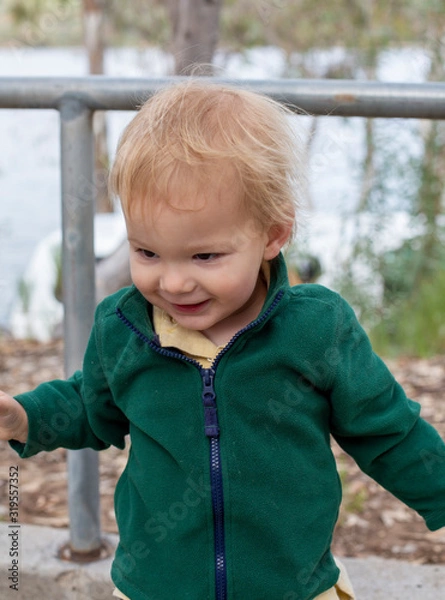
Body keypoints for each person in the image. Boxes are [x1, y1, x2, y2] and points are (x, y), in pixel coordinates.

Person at [1, 81, 445, 600]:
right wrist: (26, 417)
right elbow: (91, 406)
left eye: (204, 257)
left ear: (273, 235)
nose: (172, 282)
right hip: (156, 587)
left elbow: (387, 432)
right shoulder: (122, 329)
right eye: (146, 252)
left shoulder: (317, 330)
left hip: (291, 587)